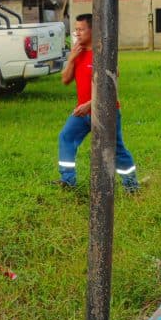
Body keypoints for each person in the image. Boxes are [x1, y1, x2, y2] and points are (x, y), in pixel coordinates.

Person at [56, 13, 140, 192]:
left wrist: (90, 104)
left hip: (105, 111)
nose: (77, 33)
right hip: (83, 113)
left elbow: (111, 88)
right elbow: (65, 80)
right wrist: (71, 59)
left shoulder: (103, 54)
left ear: (92, 30)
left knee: (116, 149)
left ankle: (131, 186)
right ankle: (68, 181)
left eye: (81, 29)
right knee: (66, 137)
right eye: (76, 29)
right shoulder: (77, 52)